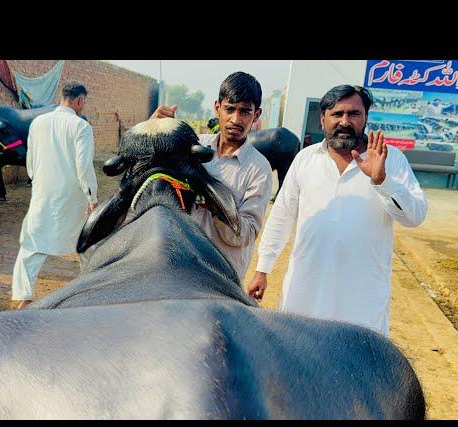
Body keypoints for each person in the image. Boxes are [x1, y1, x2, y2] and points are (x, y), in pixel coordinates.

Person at [247, 84, 428, 336]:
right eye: (337, 114)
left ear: (365, 118)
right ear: (323, 120)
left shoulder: (390, 159)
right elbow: (282, 216)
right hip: (305, 290)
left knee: (357, 366)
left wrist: (382, 181)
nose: (345, 121)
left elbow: (415, 216)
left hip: (361, 299)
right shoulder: (306, 159)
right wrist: (262, 269)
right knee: (299, 358)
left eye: (354, 114)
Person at [151, 72, 273, 282]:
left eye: (245, 111)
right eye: (229, 109)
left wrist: (212, 199)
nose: (236, 119)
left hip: (219, 278)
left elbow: (246, 234)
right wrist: (155, 129)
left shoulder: (259, 168)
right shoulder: (194, 145)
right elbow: (154, 168)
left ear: (257, 114)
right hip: (179, 264)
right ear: (217, 108)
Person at [11, 82, 98, 309]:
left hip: (42, 192)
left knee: (31, 244)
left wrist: (37, 182)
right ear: (79, 101)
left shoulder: (38, 123)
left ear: (63, 97)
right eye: (83, 102)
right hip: (71, 196)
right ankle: (89, 289)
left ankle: (24, 296)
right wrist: (92, 198)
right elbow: (84, 167)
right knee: (85, 242)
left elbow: (30, 161)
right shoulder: (81, 127)